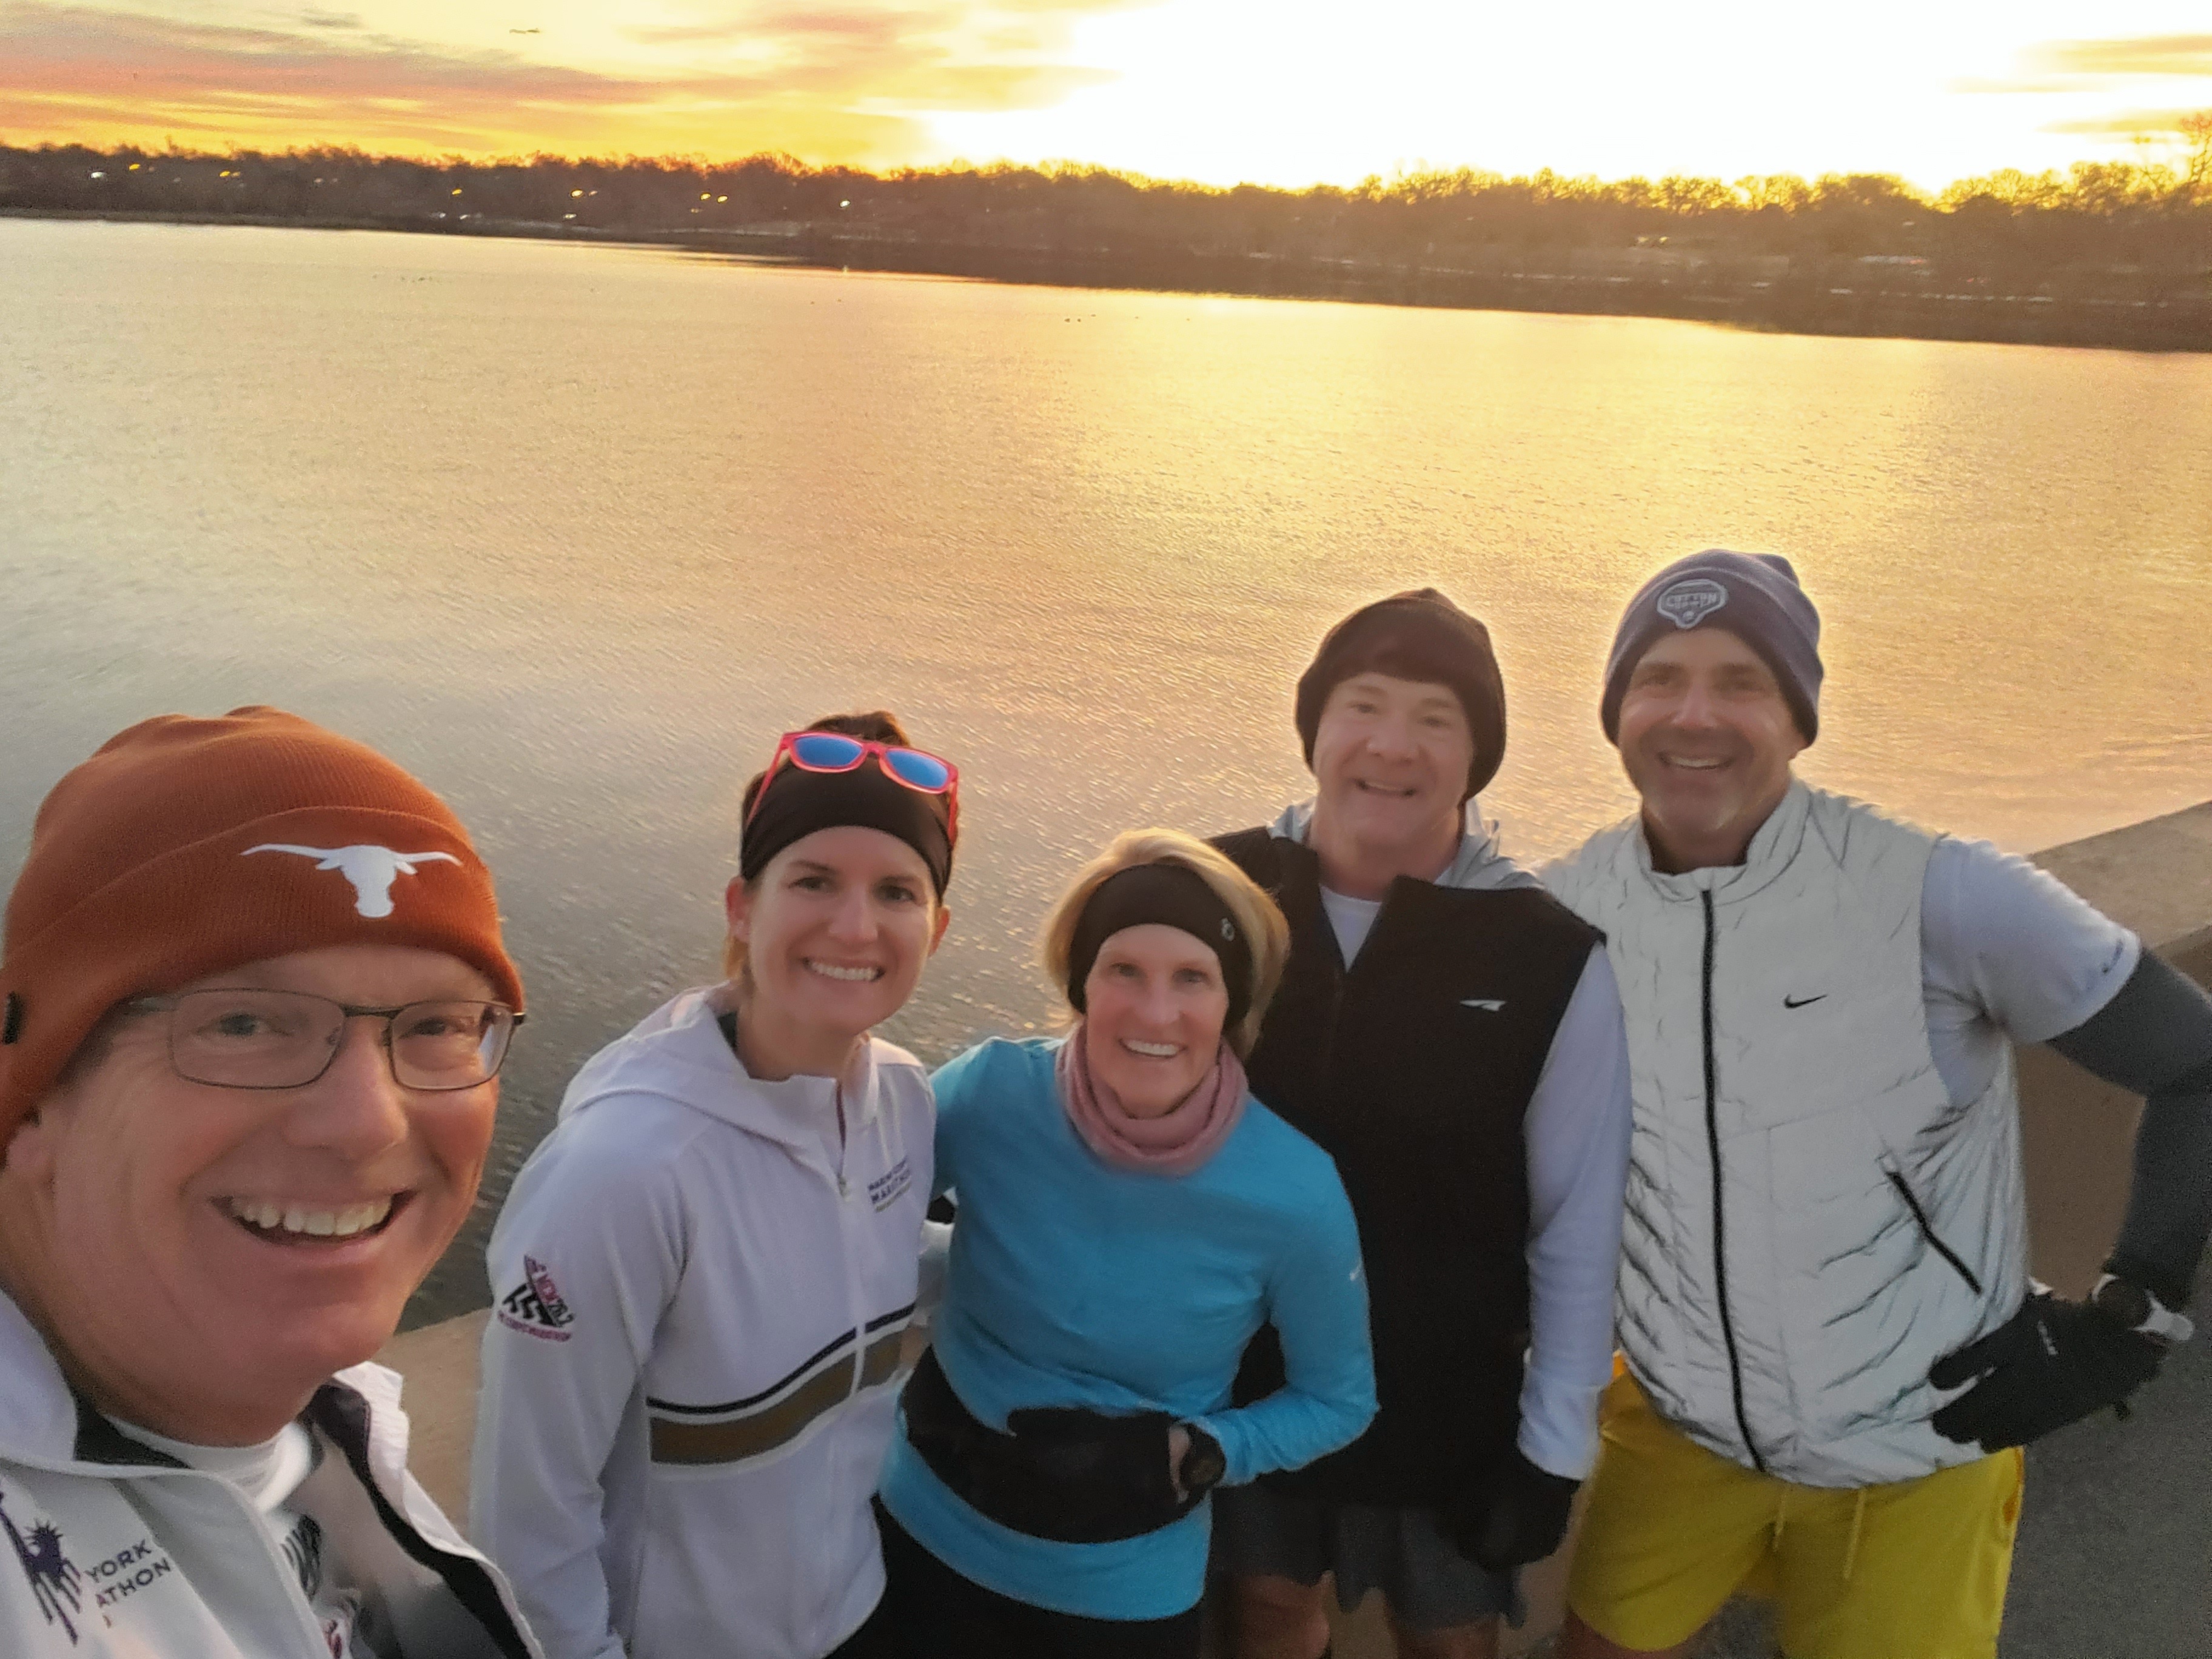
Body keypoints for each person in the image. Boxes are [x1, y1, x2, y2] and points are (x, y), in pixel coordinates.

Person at [1543, 549, 2212, 1659]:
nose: (1693, 713)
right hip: (1678, 1435)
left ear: (1799, 718)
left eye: (1742, 682)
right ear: (1617, 710)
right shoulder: (1572, 912)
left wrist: (2130, 1323)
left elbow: (2196, 1067)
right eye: (1658, 678)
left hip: (1922, 1452)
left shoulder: (1943, 895)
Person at [0, 706, 539, 1658]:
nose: (369, 1120)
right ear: (38, 1094)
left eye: (438, 1025)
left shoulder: (314, 1419)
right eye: (244, 1024)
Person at [471, 711, 955, 1659]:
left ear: (935, 929)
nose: (855, 926)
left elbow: (862, 1257)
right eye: (813, 881)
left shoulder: (903, 1099)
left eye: (895, 891)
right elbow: (525, 1514)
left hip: (854, 1610)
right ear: (742, 906)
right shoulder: (622, 1173)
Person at [1208, 589, 1634, 1659]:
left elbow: (1580, 1226)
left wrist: (1552, 1451)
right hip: (1242, 1375)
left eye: (1436, 719)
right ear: (1315, 727)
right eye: (1363, 705)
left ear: (1476, 754)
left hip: (1447, 1395)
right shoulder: (1214, 892)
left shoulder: (1546, 955)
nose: (1392, 746)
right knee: (1266, 1614)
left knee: (1447, 1637)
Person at [873, 829, 1377, 1659]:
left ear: (1235, 1002)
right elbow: (854, 1218)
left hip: (1118, 1598)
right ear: (1081, 982)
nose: (1155, 1012)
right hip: (915, 1534)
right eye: (1123, 972)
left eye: (1193, 979)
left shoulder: (1293, 1191)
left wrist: (1202, 1452)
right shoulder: (993, 1092)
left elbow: (1339, 1400)